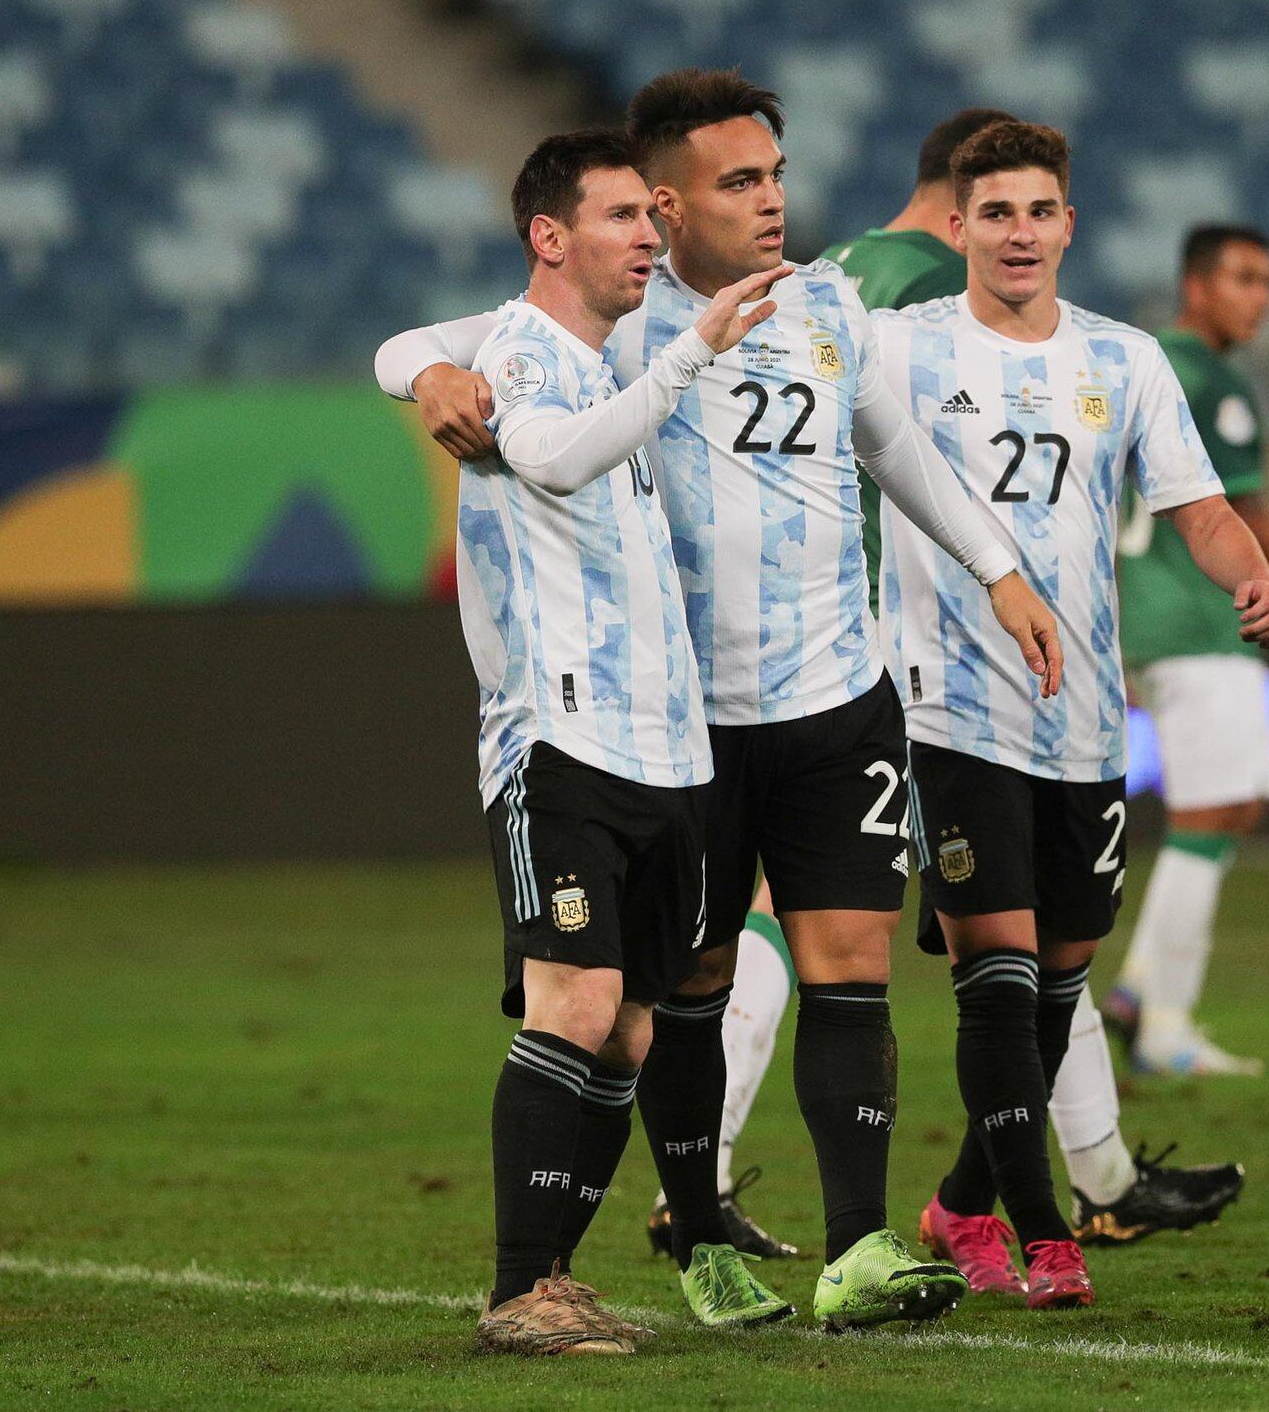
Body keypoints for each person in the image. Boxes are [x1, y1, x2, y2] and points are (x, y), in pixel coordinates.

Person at [376, 68, 1066, 1331]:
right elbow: (424, 345)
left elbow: (895, 445)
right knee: (681, 991)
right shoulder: (614, 318)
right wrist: (424, 379)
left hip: (835, 694)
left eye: (775, 177)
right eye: (737, 183)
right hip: (683, 718)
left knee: (849, 961)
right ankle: (698, 1237)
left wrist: (999, 570)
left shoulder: (822, 306)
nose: (768, 203)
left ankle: (856, 1244)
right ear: (664, 204)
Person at [868, 120, 1269, 1307]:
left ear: (1068, 224)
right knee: (997, 975)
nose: (1016, 233)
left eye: (1036, 211)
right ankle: (1048, 1233)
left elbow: (1198, 504)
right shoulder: (895, 347)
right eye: (992, 211)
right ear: (953, 226)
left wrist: (1247, 573)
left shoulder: (1125, 360)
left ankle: (956, 1207)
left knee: (1057, 987)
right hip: (949, 710)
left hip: (1086, 722)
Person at [425, 129, 794, 1354]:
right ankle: (518, 1287)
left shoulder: (606, 348)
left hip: (665, 750)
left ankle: (555, 1276)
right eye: (623, 218)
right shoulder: (524, 354)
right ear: (549, 237)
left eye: (652, 215)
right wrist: (697, 349)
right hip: (561, 742)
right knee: (573, 1003)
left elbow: (410, 355)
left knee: (633, 1024)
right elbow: (553, 460)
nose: (649, 236)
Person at [1109, 224, 1269, 1077]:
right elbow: (1248, 514)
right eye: (1243, 278)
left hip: (1149, 616)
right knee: (1212, 811)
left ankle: (1144, 990)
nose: (1260, 297)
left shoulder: (1139, 366)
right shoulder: (1213, 382)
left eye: (1266, 281)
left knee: (1234, 803)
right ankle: (1163, 1026)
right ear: (1195, 286)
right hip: (1200, 617)